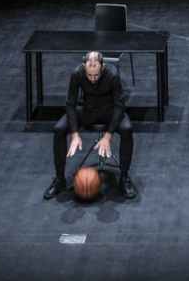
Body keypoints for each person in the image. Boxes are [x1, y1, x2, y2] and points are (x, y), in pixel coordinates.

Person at [43, 51, 136, 200]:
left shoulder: (112, 75)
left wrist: (108, 136)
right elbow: (70, 104)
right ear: (84, 67)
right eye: (89, 75)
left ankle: (124, 177)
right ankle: (59, 179)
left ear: (103, 67)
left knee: (127, 129)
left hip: (109, 112)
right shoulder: (77, 73)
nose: (92, 79)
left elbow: (120, 106)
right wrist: (74, 134)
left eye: (96, 75)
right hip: (87, 111)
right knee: (59, 129)